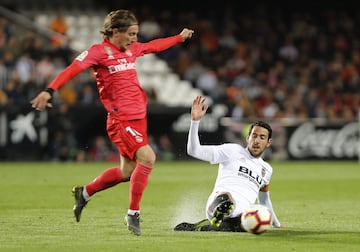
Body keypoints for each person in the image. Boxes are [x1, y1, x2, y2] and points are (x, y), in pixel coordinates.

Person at [30, 9, 194, 236]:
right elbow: (72, 70)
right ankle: (133, 214)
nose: (135, 39)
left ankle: (84, 193)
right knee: (148, 157)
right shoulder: (98, 52)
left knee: (127, 172)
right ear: (115, 32)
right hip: (120, 119)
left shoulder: (132, 49)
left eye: (136, 34)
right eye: (131, 34)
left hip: (139, 118)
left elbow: (154, 46)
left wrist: (178, 37)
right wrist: (50, 91)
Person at [174, 96, 281, 232]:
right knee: (227, 200)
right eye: (254, 136)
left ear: (268, 143)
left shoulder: (267, 169)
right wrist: (195, 122)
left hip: (244, 214)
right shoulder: (232, 150)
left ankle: (210, 227)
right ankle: (218, 220)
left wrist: (276, 224)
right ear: (247, 138)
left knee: (254, 221)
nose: (257, 141)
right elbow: (194, 150)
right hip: (220, 202)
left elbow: (264, 201)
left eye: (262, 137)